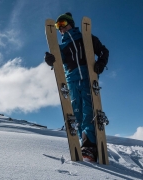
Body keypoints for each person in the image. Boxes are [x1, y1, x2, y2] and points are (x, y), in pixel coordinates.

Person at [44, 12, 109, 162]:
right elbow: (57, 62)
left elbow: (104, 51)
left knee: (88, 112)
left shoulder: (87, 39)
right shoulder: (62, 47)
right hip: (72, 82)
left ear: (70, 24)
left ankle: (89, 146)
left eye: (62, 24)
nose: (60, 29)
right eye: (57, 27)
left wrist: (100, 64)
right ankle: (83, 144)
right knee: (76, 114)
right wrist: (50, 60)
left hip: (87, 79)